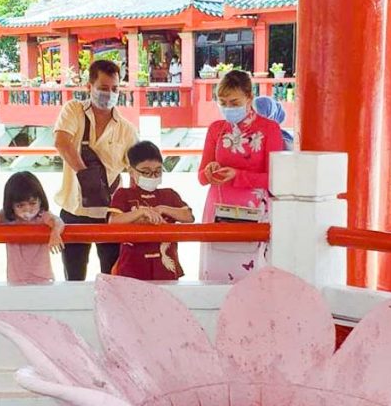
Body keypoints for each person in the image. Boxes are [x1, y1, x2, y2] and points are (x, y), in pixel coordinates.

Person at [53, 59, 138, 281]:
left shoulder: (127, 130)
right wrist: (86, 177)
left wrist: (138, 210)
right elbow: (62, 142)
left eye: (115, 89)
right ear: (88, 87)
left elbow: (136, 172)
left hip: (111, 215)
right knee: (73, 280)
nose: (109, 94)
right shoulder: (73, 110)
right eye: (103, 88)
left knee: (113, 279)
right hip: (73, 212)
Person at [198, 70, 285, 282]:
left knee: (253, 277)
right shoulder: (216, 129)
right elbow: (201, 177)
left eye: (234, 102)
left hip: (254, 208)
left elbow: (276, 180)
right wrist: (210, 172)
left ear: (249, 97)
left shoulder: (269, 129)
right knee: (216, 274)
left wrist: (238, 176)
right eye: (223, 102)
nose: (228, 108)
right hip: (217, 207)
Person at [108, 141, 194, 281]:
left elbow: (188, 216)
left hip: (165, 265)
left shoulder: (169, 194)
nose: (153, 176)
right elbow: (113, 221)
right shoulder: (123, 194)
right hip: (132, 266)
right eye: (146, 172)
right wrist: (140, 212)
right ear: (131, 171)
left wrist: (162, 209)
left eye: (158, 171)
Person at [0, 172, 65, 284]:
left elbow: (58, 221)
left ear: (40, 201)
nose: (27, 210)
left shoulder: (42, 215)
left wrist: (55, 233)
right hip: (16, 278)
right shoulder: (8, 216)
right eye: (20, 206)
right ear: (11, 205)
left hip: (42, 276)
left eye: (32, 203)